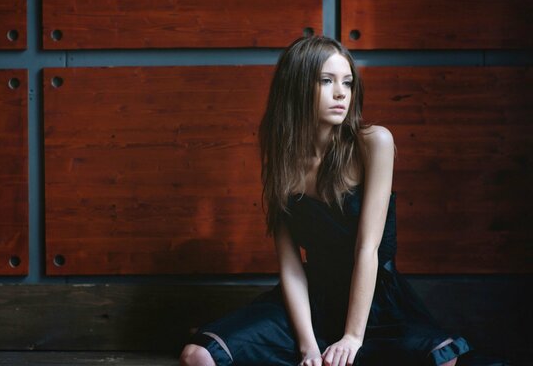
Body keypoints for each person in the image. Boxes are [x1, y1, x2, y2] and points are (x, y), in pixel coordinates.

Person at [179, 36, 472, 366]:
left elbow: (367, 249)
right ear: (298, 87)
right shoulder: (281, 159)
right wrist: (308, 347)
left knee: (443, 359)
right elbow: (291, 268)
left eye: (347, 82)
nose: (341, 93)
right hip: (311, 303)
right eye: (326, 81)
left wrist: (352, 338)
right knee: (198, 356)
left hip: (374, 303)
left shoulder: (374, 143)